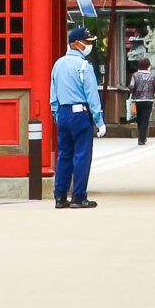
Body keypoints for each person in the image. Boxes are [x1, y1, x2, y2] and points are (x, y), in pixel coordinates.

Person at [49, 25, 102, 208]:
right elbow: (92, 95)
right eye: (87, 42)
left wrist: (56, 113)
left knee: (63, 155)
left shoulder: (58, 64)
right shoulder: (83, 66)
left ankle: (60, 196)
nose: (89, 46)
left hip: (63, 113)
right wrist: (99, 120)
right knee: (81, 155)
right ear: (76, 44)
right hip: (80, 114)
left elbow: (53, 93)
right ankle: (79, 197)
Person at [128, 56, 155, 146]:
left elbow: (131, 86)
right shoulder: (152, 76)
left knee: (139, 119)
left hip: (137, 100)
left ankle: (141, 137)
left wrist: (133, 92)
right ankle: (142, 138)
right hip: (148, 100)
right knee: (145, 119)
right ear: (148, 66)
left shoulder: (135, 75)